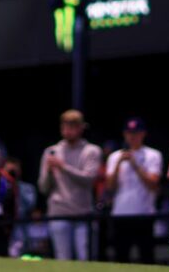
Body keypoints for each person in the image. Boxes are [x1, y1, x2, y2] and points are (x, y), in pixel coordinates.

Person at [38, 109, 102, 261]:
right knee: (63, 260)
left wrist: (63, 167)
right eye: (65, 126)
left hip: (83, 213)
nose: (68, 130)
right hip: (58, 213)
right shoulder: (51, 152)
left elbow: (89, 179)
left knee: (85, 259)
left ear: (81, 128)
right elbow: (43, 187)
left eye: (72, 126)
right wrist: (48, 172)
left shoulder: (91, 151)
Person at [106, 117, 162, 264]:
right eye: (129, 132)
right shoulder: (114, 157)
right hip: (120, 214)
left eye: (136, 132)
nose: (132, 136)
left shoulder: (153, 155)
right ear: (124, 134)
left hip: (144, 213)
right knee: (121, 258)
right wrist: (119, 163)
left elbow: (153, 184)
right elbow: (110, 187)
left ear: (143, 134)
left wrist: (135, 164)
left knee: (146, 257)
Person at [4, 157, 37, 257]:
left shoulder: (28, 188)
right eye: (9, 171)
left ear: (20, 171)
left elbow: (30, 205)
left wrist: (15, 187)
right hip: (4, 227)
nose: (12, 173)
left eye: (14, 170)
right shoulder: (0, 187)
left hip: (22, 227)